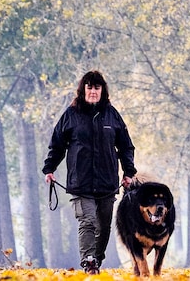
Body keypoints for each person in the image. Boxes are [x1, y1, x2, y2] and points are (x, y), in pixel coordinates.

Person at [42, 70, 137, 274]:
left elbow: (126, 146)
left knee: (104, 227)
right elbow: (57, 145)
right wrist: (49, 169)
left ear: (102, 90)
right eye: (89, 87)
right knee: (88, 221)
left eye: (97, 87)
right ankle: (89, 260)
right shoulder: (71, 115)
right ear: (82, 90)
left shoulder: (112, 115)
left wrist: (129, 172)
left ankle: (97, 259)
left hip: (107, 182)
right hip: (81, 181)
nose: (93, 91)